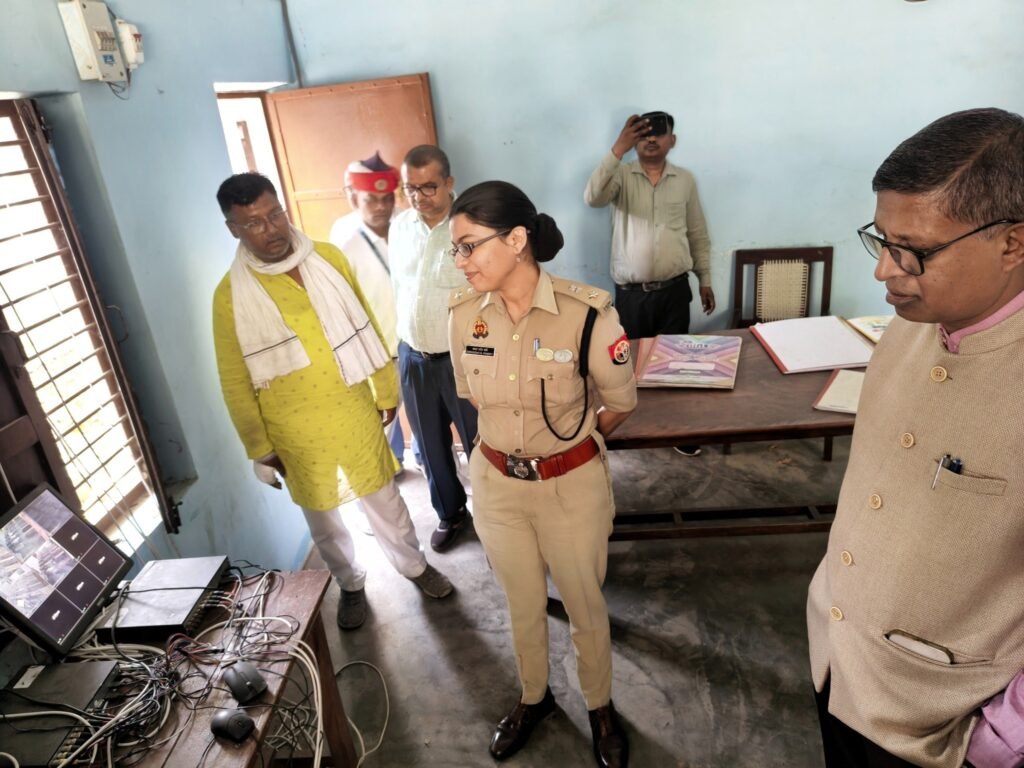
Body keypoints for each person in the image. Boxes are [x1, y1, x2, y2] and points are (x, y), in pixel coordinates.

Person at [806, 107, 1024, 768]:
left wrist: (1000, 740)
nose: (884, 271)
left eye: (915, 251)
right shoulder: (912, 323)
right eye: (882, 239)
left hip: (940, 722)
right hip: (839, 663)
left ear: (1014, 244)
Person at [212, 172, 454, 632]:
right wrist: (259, 445)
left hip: (352, 409)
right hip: (293, 430)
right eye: (254, 223)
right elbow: (234, 378)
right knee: (324, 521)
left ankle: (415, 567)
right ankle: (350, 583)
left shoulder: (327, 258)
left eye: (275, 214)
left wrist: (385, 389)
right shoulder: (230, 296)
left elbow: (365, 322)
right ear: (233, 229)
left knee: (385, 500)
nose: (272, 229)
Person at [448, 181, 637, 767]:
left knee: (584, 605)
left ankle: (600, 706)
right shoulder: (464, 318)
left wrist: (567, 450)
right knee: (522, 603)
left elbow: (620, 403)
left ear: (517, 240)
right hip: (497, 487)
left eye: (470, 246)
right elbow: (472, 397)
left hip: (569, 488)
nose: (461, 261)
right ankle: (535, 698)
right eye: (456, 250)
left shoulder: (587, 316)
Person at [584, 110, 713, 457]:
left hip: (675, 291)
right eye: (643, 134)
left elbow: (697, 232)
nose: (651, 139)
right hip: (632, 296)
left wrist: (705, 279)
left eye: (659, 132)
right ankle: (637, 430)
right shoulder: (621, 176)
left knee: (677, 366)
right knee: (628, 367)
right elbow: (593, 197)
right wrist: (618, 148)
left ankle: (678, 429)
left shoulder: (685, 180)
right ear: (634, 141)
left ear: (673, 140)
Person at [390, 145, 478, 551]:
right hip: (413, 356)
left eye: (429, 187)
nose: (419, 196)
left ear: (449, 182)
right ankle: (451, 512)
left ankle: (498, 517)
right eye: (411, 188)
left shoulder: (472, 226)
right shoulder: (400, 227)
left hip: (463, 358)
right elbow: (399, 288)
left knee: (481, 441)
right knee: (428, 445)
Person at [328, 151, 407, 469]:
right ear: (352, 197)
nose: (380, 207)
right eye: (370, 199)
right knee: (383, 421)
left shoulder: (407, 223)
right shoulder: (342, 238)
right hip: (375, 351)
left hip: (415, 345)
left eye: (387, 199)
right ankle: (389, 469)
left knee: (429, 420)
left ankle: (424, 461)